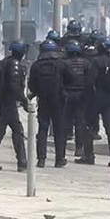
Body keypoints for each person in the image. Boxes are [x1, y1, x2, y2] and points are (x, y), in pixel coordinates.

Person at [0, 40, 29, 172]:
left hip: (5, 100)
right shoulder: (14, 64)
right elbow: (14, 86)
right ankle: (21, 162)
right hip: (8, 101)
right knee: (15, 131)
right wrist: (24, 100)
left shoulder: (6, 61)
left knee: (2, 130)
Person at [76, 37, 110, 166]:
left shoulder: (96, 62)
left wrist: (86, 99)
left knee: (87, 126)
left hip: (95, 99)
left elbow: (90, 82)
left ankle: (89, 156)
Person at [28, 39, 72, 168]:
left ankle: (41, 159)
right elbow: (71, 79)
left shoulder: (36, 65)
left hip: (43, 100)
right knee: (59, 129)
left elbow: (31, 85)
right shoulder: (61, 64)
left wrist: (37, 92)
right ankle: (59, 159)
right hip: (58, 100)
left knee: (42, 129)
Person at [63, 40, 91, 157]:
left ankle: (62, 150)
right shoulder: (85, 63)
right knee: (80, 122)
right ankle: (79, 148)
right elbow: (89, 80)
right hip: (81, 95)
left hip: (67, 94)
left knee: (65, 122)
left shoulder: (64, 63)